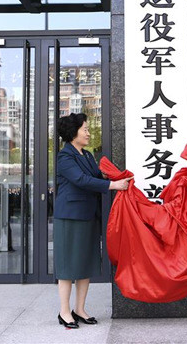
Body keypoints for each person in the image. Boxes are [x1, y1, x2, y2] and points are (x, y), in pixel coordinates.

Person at [54, 113, 130, 329]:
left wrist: (112, 176)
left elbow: (96, 176)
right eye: (85, 129)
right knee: (68, 266)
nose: (88, 133)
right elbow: (81, 180)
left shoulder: (86, 155)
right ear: (73, 132)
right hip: (70, 216)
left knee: (85, 263)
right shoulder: (65, 157)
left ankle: (80, 309)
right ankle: (64, 311)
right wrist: (113, 186)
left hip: (88, 214)